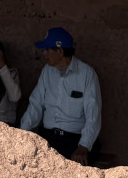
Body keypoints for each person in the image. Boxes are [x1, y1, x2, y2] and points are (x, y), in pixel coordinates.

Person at [19, 26, 101, 165]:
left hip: (74, 140)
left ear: (60, 51)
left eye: (47, 50)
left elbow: (93, 116)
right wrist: (21, 135)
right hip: (48, 137)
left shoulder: (86, 74)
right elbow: (35, 105)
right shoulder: (47, 71)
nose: (44, 54)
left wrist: (83, 147)